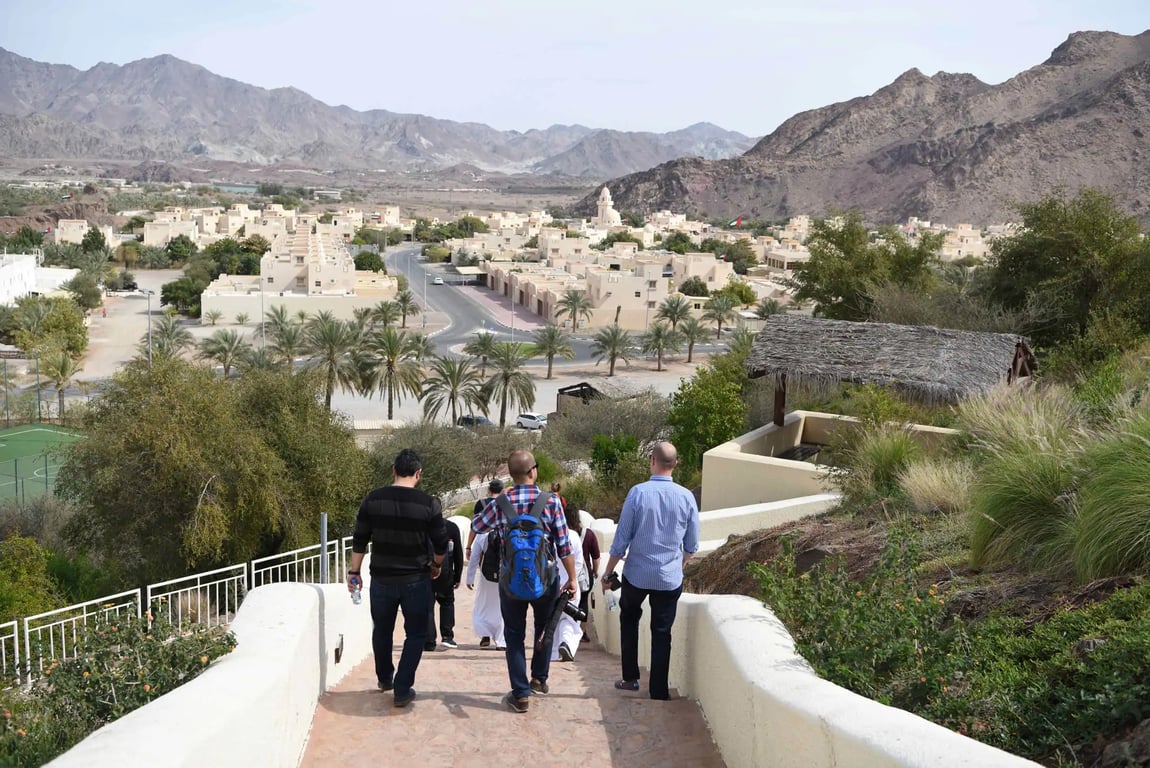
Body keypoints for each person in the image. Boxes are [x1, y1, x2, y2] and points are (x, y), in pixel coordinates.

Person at [472, 451, 578, 714]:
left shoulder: (502, 502)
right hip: (546, 578)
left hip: (511, 581)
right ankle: (539, 679)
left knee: (514, 634)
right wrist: (573, 578)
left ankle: (520, 694)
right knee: (544, 627)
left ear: (512, 474)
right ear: (533, 471)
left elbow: (477, 525)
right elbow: (564, 545)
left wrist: (500, 504)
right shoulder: (551, 501)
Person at [347, 448, 448, 708]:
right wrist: (436, 565)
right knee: (415, 634)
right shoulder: (428, 504)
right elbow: (440, 544)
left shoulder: (373, 500)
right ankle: (403, 689)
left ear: (393, 470)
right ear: (418, 474)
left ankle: (384, 678)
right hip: (416, 579)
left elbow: (359, 540)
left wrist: (354, 572)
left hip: (381, 579)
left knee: (382, 630)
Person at [601, 441, 700, 701]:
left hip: (636, 575)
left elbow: (621, 540)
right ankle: (658, 690)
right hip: (669, 579)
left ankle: (631, 678)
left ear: (651, 461)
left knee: (629, 620)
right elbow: (691, 546)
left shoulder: (637, 493)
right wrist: (677, 567)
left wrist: (608, 573)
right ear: (676, 464)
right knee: (662, 632)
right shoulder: (687, 497)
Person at [549, 505, 589, 662]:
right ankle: (566, 643)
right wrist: (571, 579)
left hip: (552, 584)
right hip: (571, 584)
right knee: (569, 619)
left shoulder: (549, 536)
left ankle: (551, 653)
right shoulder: (573, 536)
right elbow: (578, 562)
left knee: (551, 619)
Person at [464, 528, 506, 649]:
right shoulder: (508, 531)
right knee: (502, 607)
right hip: (505, 575)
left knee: (483, 605)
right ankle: (501, 641)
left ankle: (485, 634)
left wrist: (470, 578)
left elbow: (474, 558)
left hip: (486, 576)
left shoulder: (482, 535)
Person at [427, 517, 463, 650]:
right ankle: (447, 637)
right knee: (447, 603)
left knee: (427, 606)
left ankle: (429, 640)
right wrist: (458, 575)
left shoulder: (422, 525)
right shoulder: (451, 527)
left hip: (425, 572)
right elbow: (458, 553)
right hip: (446, 574)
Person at [465, 479, 503, 561]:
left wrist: (468, 547)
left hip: (482, 537)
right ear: (502, 490)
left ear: (489, 489)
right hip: (501, 539)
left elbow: (474, 528)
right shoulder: (505, 503)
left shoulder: (481, 503)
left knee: (479, 566)